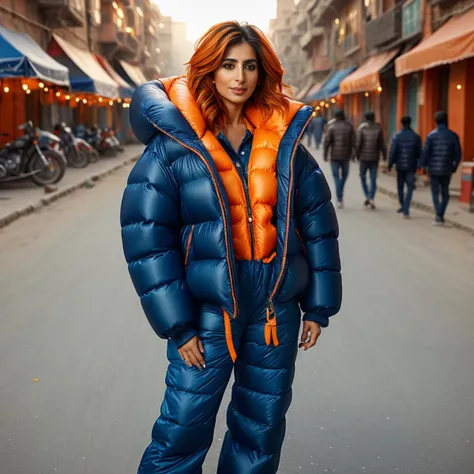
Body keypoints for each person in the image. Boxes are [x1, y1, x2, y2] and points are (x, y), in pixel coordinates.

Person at [120, 22, 342, 474]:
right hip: (208, 312)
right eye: (228, 65)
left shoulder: (284, 142)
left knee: (259, 431)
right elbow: (147, 236)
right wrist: (177, 326)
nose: (239, 76)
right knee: (182, 429)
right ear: (210, 70)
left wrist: (318, 307)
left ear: (262, 74)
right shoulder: (175, 145)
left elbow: (316, 222)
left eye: (249, 66)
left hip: (274, 310)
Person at [421, 111, 462, 225]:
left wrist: (423, 166)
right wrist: (454, 166)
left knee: (434, 193)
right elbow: (458, 154)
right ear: (446, 120)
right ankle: (440, 214)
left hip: (433, 169)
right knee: (445, 193)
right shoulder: (453, 136)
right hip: (446, 168)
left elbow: (425, 153)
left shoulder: (431, 136)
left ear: (436, 121)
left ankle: (438, 215)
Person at [388, 116, 422, 218]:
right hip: (411, 166)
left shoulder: (397, 136)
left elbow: (393, 152)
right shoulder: (416, 136)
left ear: (401, 124)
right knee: (410, 187)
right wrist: (420, 164)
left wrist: (389, 164)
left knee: (400, 187)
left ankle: (403, 205)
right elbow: (420, 152)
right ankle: (406, 209)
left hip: (400, 166)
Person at [323, 109, 356, 209]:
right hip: (346, 156)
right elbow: (354, 142)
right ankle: (340, 194)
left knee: (336, 177)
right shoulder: (349, 126)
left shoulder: (331, 127)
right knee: (344, 175)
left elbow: (327, 142)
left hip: (334, 156)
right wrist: (354, 154)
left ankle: (339, 198)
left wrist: (325, 154)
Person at [356, 111, 387, 209]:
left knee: (363, 177)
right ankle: (371, 197)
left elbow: (358, 144)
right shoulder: (378, 128)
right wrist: (385, 155)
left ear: (365, 118)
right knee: (373, 178)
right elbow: (382, 144)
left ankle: (367, 195)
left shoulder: (362, 128)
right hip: (374, 157)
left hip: (363, 158)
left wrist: (356, 155)